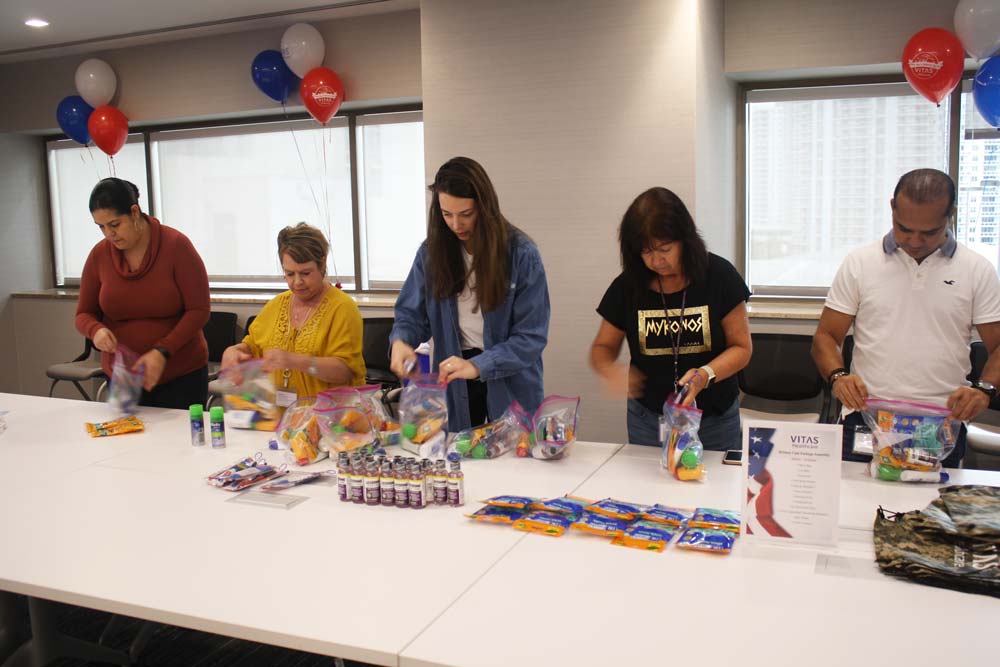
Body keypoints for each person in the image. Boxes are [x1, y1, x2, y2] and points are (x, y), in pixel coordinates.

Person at [812, 168, 1000, 467]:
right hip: (867, 416)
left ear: (950, 214)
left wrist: (985, 390)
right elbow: (826, 337)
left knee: (930, 511)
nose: (914, 240)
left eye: (928, 232)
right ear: (892, 208)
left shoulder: (977, 269)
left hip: (941, 422)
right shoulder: (861, 262)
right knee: (853, 507)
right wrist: (838, 377)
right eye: (904, 228)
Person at [390, 157, 550, 431]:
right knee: (463, 462)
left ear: (485, 208)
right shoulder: (430, 254)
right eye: (446, 214)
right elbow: (410, 315)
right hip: (456, 381)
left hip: (510, 381)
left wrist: (478, 366)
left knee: (516, 462)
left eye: (466, 214)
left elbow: (531, 337)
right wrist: (401, 342)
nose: (456, 224)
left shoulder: (521, 255)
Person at [590, 187, 752, 450]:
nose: (657, 260)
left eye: (665, 248)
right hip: (649, 420)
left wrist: (704, 375)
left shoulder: (720, 276)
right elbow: (602, 347)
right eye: (646, 252)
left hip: (714, 419)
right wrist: (610, 370)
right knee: (650, 490)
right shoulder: (628, 286)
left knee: (717, 489)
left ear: (684, 239)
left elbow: (742, 348)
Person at [75, 177, 210, 409]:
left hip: (180, 374)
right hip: (124, 377)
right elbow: (83, 314)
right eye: (101, 227)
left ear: (134, 212)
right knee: (128, 443)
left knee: (179, 443)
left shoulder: (176, 246)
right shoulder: (99, 255)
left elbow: (199, 310)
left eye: (115, 224)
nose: (109, 234)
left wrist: (162, 351)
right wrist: (95, 330)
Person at [220, 223, 365, 399]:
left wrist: (295, 361)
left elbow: (345, 370)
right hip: (282, 419)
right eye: (290, 274)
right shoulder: (278, 304)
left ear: (322, 264)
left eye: (305, 273)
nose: (297, 282)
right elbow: (252, 346)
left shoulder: (342, 308)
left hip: (328, 419)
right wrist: (234, 351)